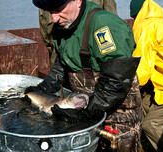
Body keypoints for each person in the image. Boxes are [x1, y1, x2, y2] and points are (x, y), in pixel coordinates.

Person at [26, 0, 142, 151]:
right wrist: (42, 88)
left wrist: (86, 113)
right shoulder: (62, 27)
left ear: (78, 1)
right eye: (50, 12)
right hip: (86, 111)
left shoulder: (104, 24)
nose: (54, 18)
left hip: (119, 116)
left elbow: (116, 80)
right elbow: (62, 63)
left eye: (60, 9)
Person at [130, 0, 163, 151]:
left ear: (135, 16)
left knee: (151, 124)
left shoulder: (145, 27)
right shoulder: (162, 23)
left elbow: (142, 70)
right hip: (161, 85)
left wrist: (126, 88)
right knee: (145, 104)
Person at [39, 0, 118, 69]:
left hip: (93, 62)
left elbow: (111, 25)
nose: (55, 19)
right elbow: (47, 35)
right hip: (60, 61)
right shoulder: (45, 3)